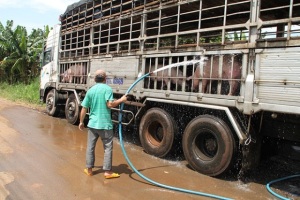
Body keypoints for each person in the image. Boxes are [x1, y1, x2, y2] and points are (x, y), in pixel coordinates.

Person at [79, 69, 127, 179]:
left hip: (92, 125)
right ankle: (107, 172)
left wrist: (81, 122)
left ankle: (89, 170)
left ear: (95, 79)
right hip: (105, 125)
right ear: (105, 79)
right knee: (108, 148)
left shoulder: (90, 91)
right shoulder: (107, 89)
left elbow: (84, 108)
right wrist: (121, 100)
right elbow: (110, 104)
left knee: (90, 147)